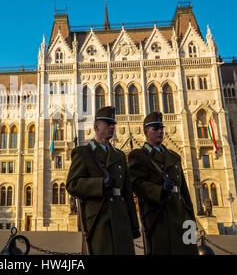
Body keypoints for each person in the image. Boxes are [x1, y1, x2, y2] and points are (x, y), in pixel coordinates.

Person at [66, 106, 140, 255]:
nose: (112, 127)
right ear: (96, 127)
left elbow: (127, 193)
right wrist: (99, 185)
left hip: (121, 219)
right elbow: (72, 184)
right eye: (107, 123)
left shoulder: (119, 155)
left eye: (113, 124)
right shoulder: (84, 152)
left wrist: (134, 224)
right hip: (98, 219)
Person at [128, 111, 198, 255]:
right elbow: (137, 184)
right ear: (146, 132)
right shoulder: (138, 156)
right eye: (155, 129)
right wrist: (159, 191)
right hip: (158, 215)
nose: (160, 132)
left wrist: (191, 217)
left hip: (181, 214)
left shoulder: (174, 156)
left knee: (188, 250)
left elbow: (184, 189)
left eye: (161, 128)